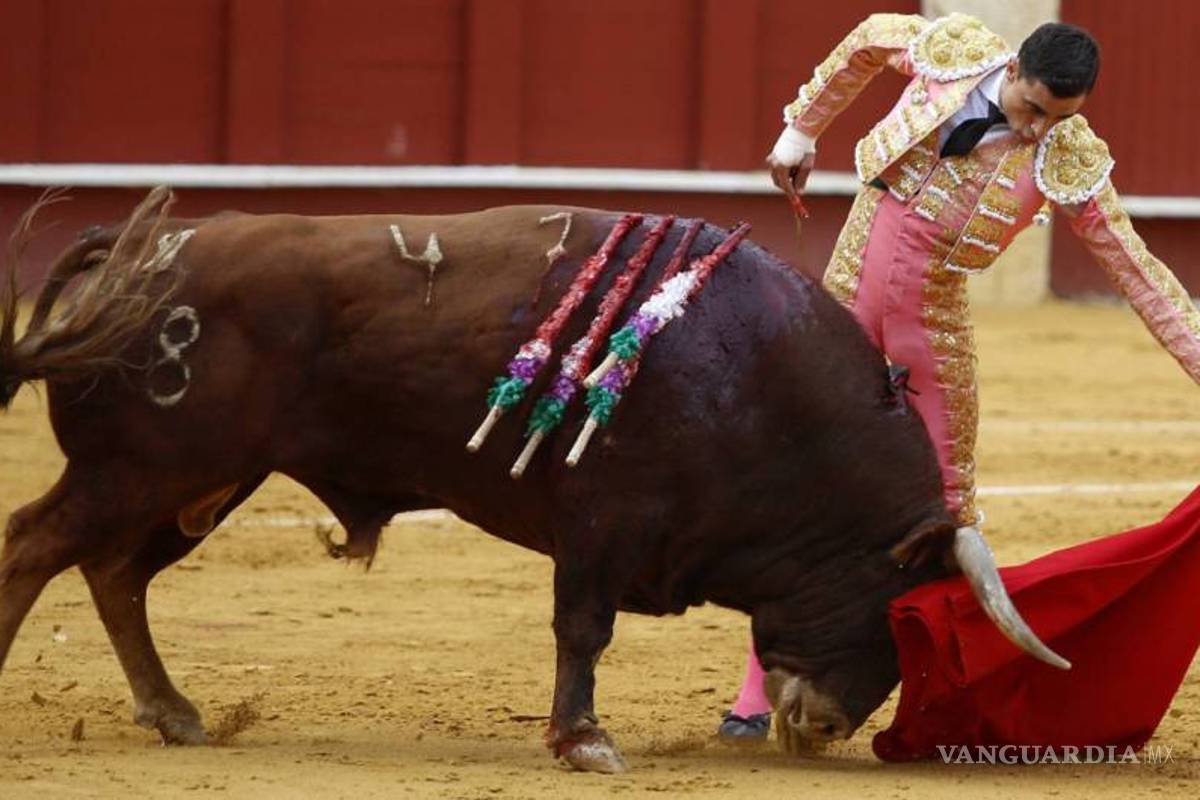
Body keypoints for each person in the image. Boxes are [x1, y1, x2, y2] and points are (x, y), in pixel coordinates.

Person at [718, 12, 1200, 742]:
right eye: (1034, 109)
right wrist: (803, 127)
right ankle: (757, 695)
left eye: (1060, 118)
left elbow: (1139, 272)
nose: (1041, 130)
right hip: (840, 313)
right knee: (795, 487)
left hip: (929, 338)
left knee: (944, 517)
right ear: (1012, 72)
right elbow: (869, 38)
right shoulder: (954, 54)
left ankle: (938, 699)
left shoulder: (1064, 154)